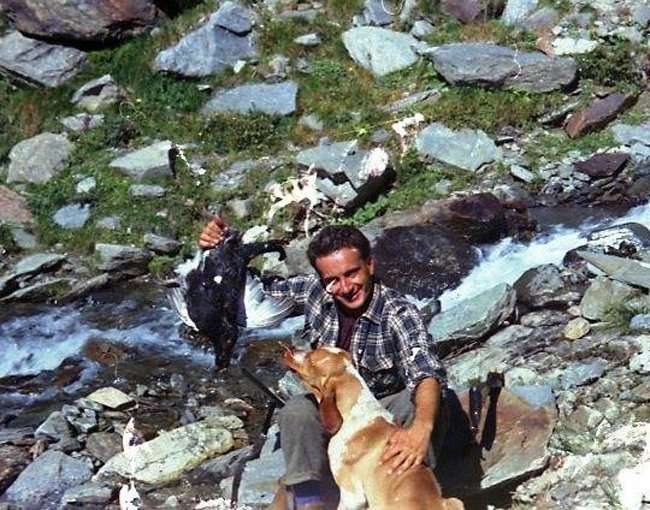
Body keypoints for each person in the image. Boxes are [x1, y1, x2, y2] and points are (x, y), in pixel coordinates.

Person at [199, 217, 448, 510]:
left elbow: (426, 372)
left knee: (413, 404)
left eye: (352, 273)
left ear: (370, 265)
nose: (345, 287)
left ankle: (407, 493)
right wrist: (217, 253)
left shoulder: (398, 312)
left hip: (380, 412)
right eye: (332, 280)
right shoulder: (314, 291)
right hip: (333, 404)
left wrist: (421, 428)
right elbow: (248, 293)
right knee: (296, 410)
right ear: (321, 279)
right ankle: (308, 497)